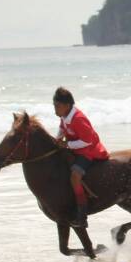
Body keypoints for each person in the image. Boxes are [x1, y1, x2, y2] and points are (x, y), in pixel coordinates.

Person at [52, 87, 110, 228]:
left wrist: (66, 145)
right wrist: (57, 139)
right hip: (76, 148)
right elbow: (62, 128)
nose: (55, 109)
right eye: (54, 105)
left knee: (74, 176)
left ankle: (82, 215)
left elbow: (87, 141)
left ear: (67, 106)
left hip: (88, 151)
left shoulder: (78, 119)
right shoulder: (64, 115)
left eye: (57, 106)